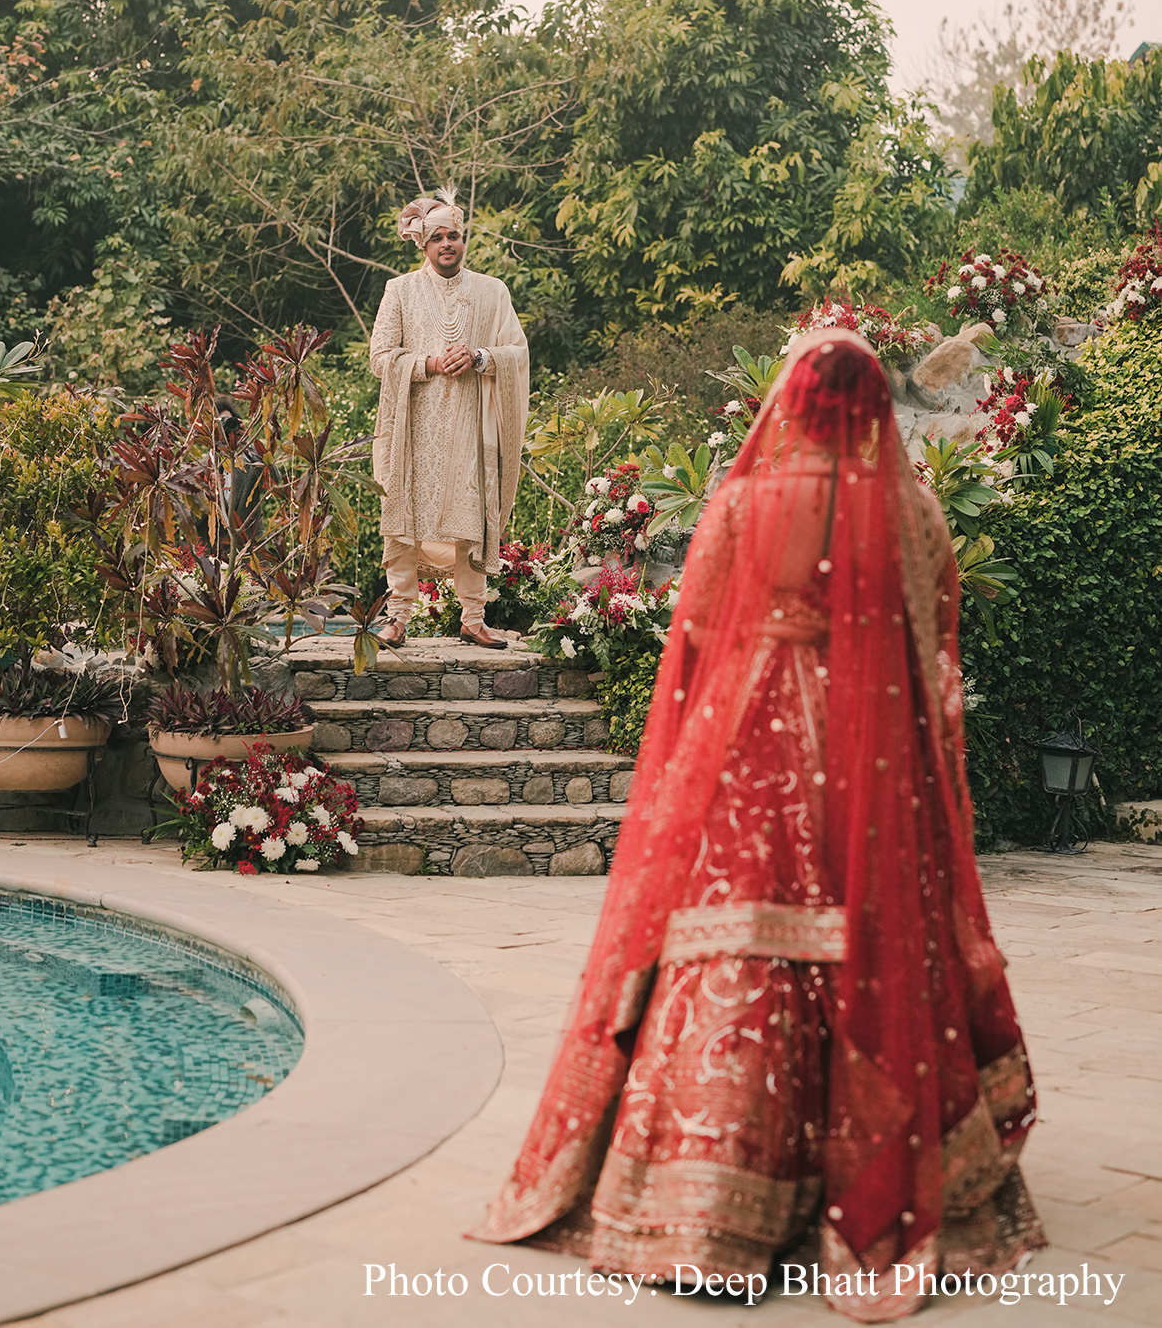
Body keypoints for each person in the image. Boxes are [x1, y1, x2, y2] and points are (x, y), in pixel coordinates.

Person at [472, 329, 1044, 1318]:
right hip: (867, 756)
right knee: (867, 939)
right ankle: (857, 1185)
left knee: (728, 929)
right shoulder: (905, 508)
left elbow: (691, 637)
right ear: (866, 407)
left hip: (746, 736)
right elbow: (934, 643)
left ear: (790, 400)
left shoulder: (741, 502)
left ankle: (697, 1196)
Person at [370, 191, 529, 650]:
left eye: (454, 235)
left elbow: (517, 352)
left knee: (470, 517)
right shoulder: (399, 290)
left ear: (464, 240)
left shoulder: (492, 291)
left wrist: (480, 356)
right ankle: (398, 615)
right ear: (422, 245)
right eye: (437, 236)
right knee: (402, 518)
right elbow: (380, 358)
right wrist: (429, 364)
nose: (447, 244)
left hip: (471, 427)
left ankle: (474, 617)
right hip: (412, 428)